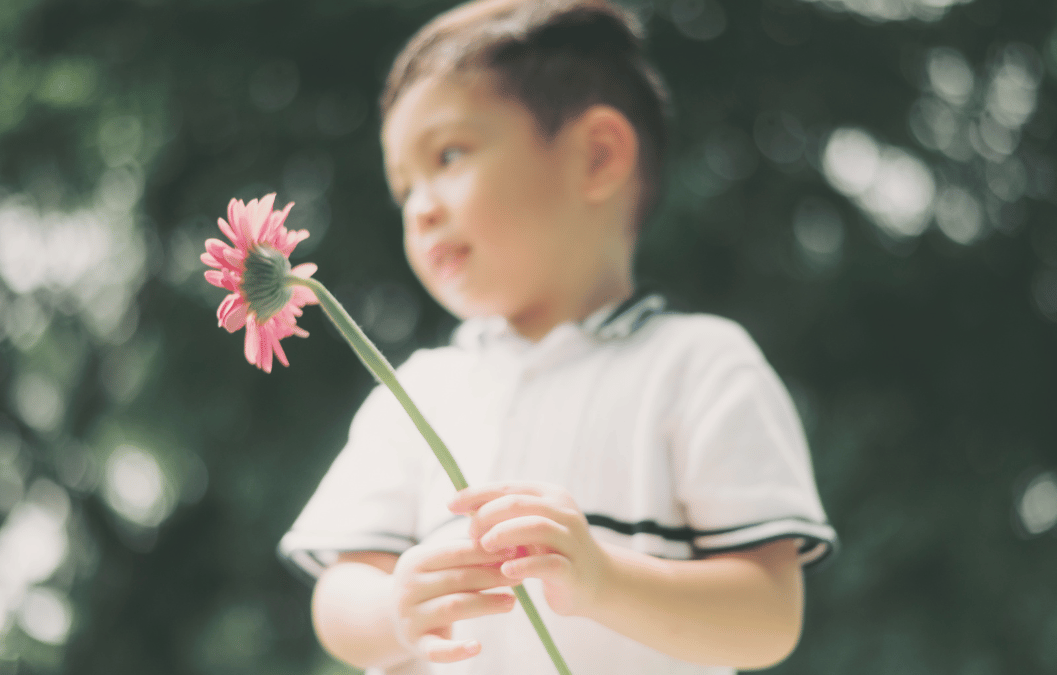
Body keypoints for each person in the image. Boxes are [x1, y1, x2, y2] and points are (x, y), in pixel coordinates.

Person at [278, 1, 836, 673]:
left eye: (448, 155)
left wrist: (604, 580)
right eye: (404, 188)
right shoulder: (416, 388)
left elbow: (769, 616)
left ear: (598, 156)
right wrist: (397, 606)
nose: (421, 207)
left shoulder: (701, 365)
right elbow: (339, 594)